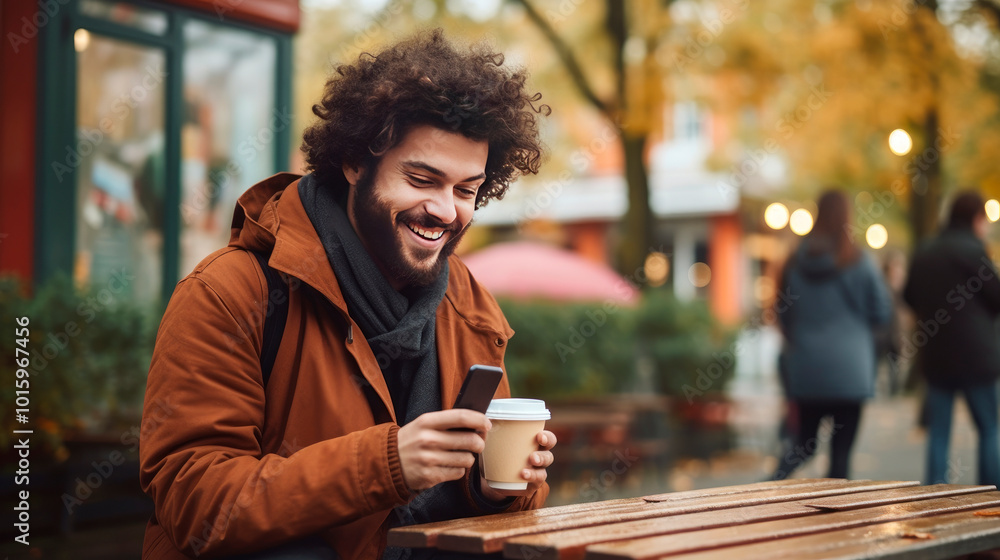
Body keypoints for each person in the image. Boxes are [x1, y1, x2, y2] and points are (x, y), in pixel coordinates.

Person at [139, 31, 556, 560]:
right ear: (356, 163)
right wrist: (387, 465)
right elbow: (194, 503)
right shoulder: (228, 291)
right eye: (422, 179)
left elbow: (498, 507)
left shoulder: (468, 304)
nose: (446, 210)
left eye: (466, 190)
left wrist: (497, 488)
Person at [771, 190, 892, 480]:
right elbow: (882, 312)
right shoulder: (860, 262)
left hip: (807, 369)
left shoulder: (794, 262)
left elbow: (783, 313)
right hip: (850, 372)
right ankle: (839, 520)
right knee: (841, 455)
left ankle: (764, 489)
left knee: (802, 446)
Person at [903, 191, 1000, 486]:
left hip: (936, 356)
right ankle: (992, 494)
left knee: (939, 433)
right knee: (988, 429)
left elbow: (909, 296)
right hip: (976, 357)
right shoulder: (974, 251)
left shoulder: (925, 250)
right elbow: (997, 297)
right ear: (975, 219)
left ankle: (933, 493)